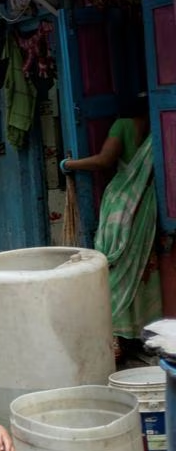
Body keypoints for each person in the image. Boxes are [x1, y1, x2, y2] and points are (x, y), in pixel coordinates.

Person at [61, 95, 161, 359]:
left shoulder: (122, 125)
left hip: (122, 205)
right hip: (147, 206)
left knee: (113, 268)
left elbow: (104, 161)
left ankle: (114, 338)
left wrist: (68, 165)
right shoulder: (160, 125)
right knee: (140, 270)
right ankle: (143, 335)